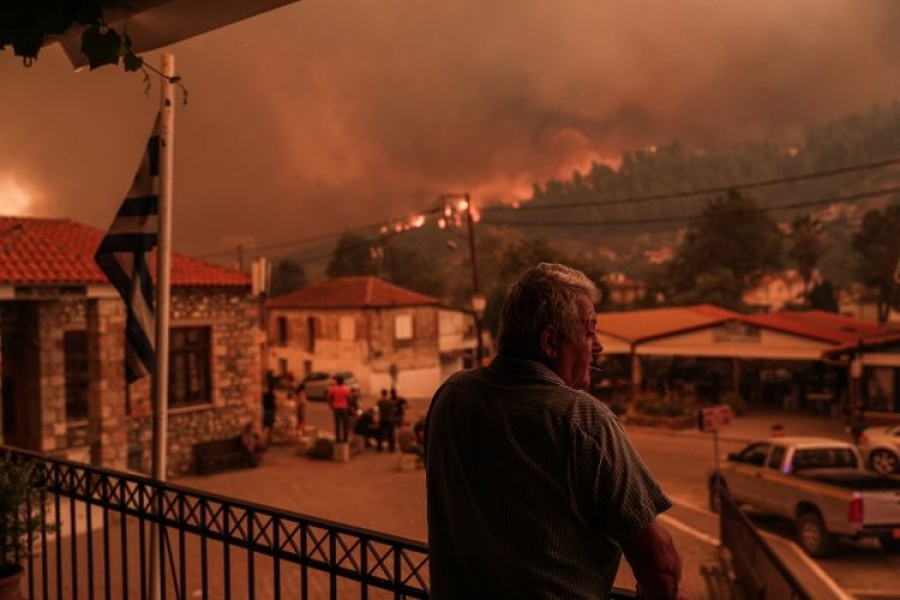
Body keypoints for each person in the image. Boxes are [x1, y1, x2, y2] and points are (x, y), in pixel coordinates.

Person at [425, 263, 687, 599]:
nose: (597, 346)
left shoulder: (452, 395)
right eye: (589, 331)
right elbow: (659, 562)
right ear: (550, 342)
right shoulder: (584, 421)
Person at [327, 374, 353, 443]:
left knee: (337, 424)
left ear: (337, 381)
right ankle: (345, 439)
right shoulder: (346, 389)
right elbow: (350, 399)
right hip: (344, 407)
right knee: (345, 424)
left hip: (336, 408)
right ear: (343, 381)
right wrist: (350, 406)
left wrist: (331, 405)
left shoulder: (333, 389)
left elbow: (329, 398)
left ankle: (338, 438)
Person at [261, 379, 276, 449]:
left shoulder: (264, 395)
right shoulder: (272, 395)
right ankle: (269, 440)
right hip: (270, 411)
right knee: (270, 427)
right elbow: (274, 404)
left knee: (264, 426)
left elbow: (262, 402)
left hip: (265, 411)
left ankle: (263, 440)